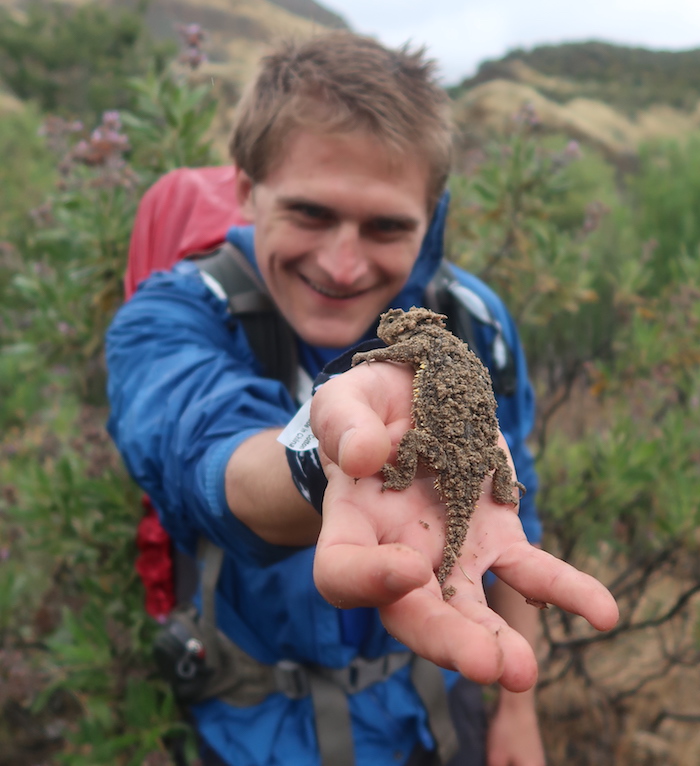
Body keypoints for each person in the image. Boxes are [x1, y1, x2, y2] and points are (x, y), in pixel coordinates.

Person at [106, 31, 618, 766]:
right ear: (246, 188)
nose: (343, 266)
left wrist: (517, 713)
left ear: (431, 216)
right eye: (311, 213)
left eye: (385, 227)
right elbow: (202, 450)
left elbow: (512, 511)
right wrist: (326, 460)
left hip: (434, 712)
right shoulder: (172, 316)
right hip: (250, 731)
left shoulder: (474, 322)